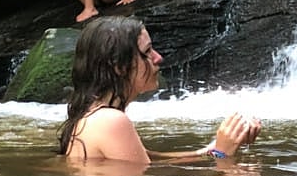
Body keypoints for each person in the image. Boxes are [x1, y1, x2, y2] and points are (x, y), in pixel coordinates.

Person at [58, 15, 260, 167]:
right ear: (119, 66)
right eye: (147, 51)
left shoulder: (93, 115)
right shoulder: (111, 121)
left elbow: (154, 161)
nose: (158, 58)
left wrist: (217, 146)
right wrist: (222, 155)